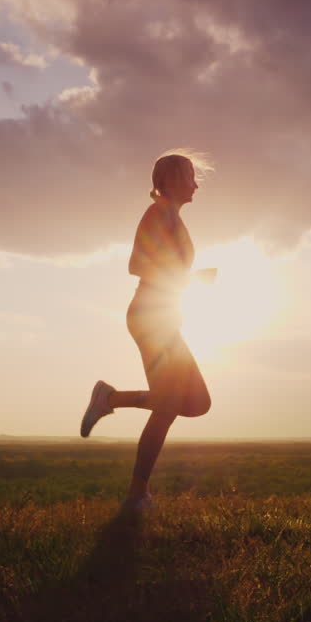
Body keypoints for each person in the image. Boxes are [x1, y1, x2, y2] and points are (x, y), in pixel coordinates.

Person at [80, 150, 213, 513]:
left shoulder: (172, 217)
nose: (196, 183)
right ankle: (137, 496)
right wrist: (191, 278)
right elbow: (136, 264)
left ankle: (110, 399)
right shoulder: (158, 214)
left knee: (197, 403)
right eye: (189, 175)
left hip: (164, 317)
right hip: (150, 316)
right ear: (169, 180)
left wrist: (186, 282)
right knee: (169, 404)